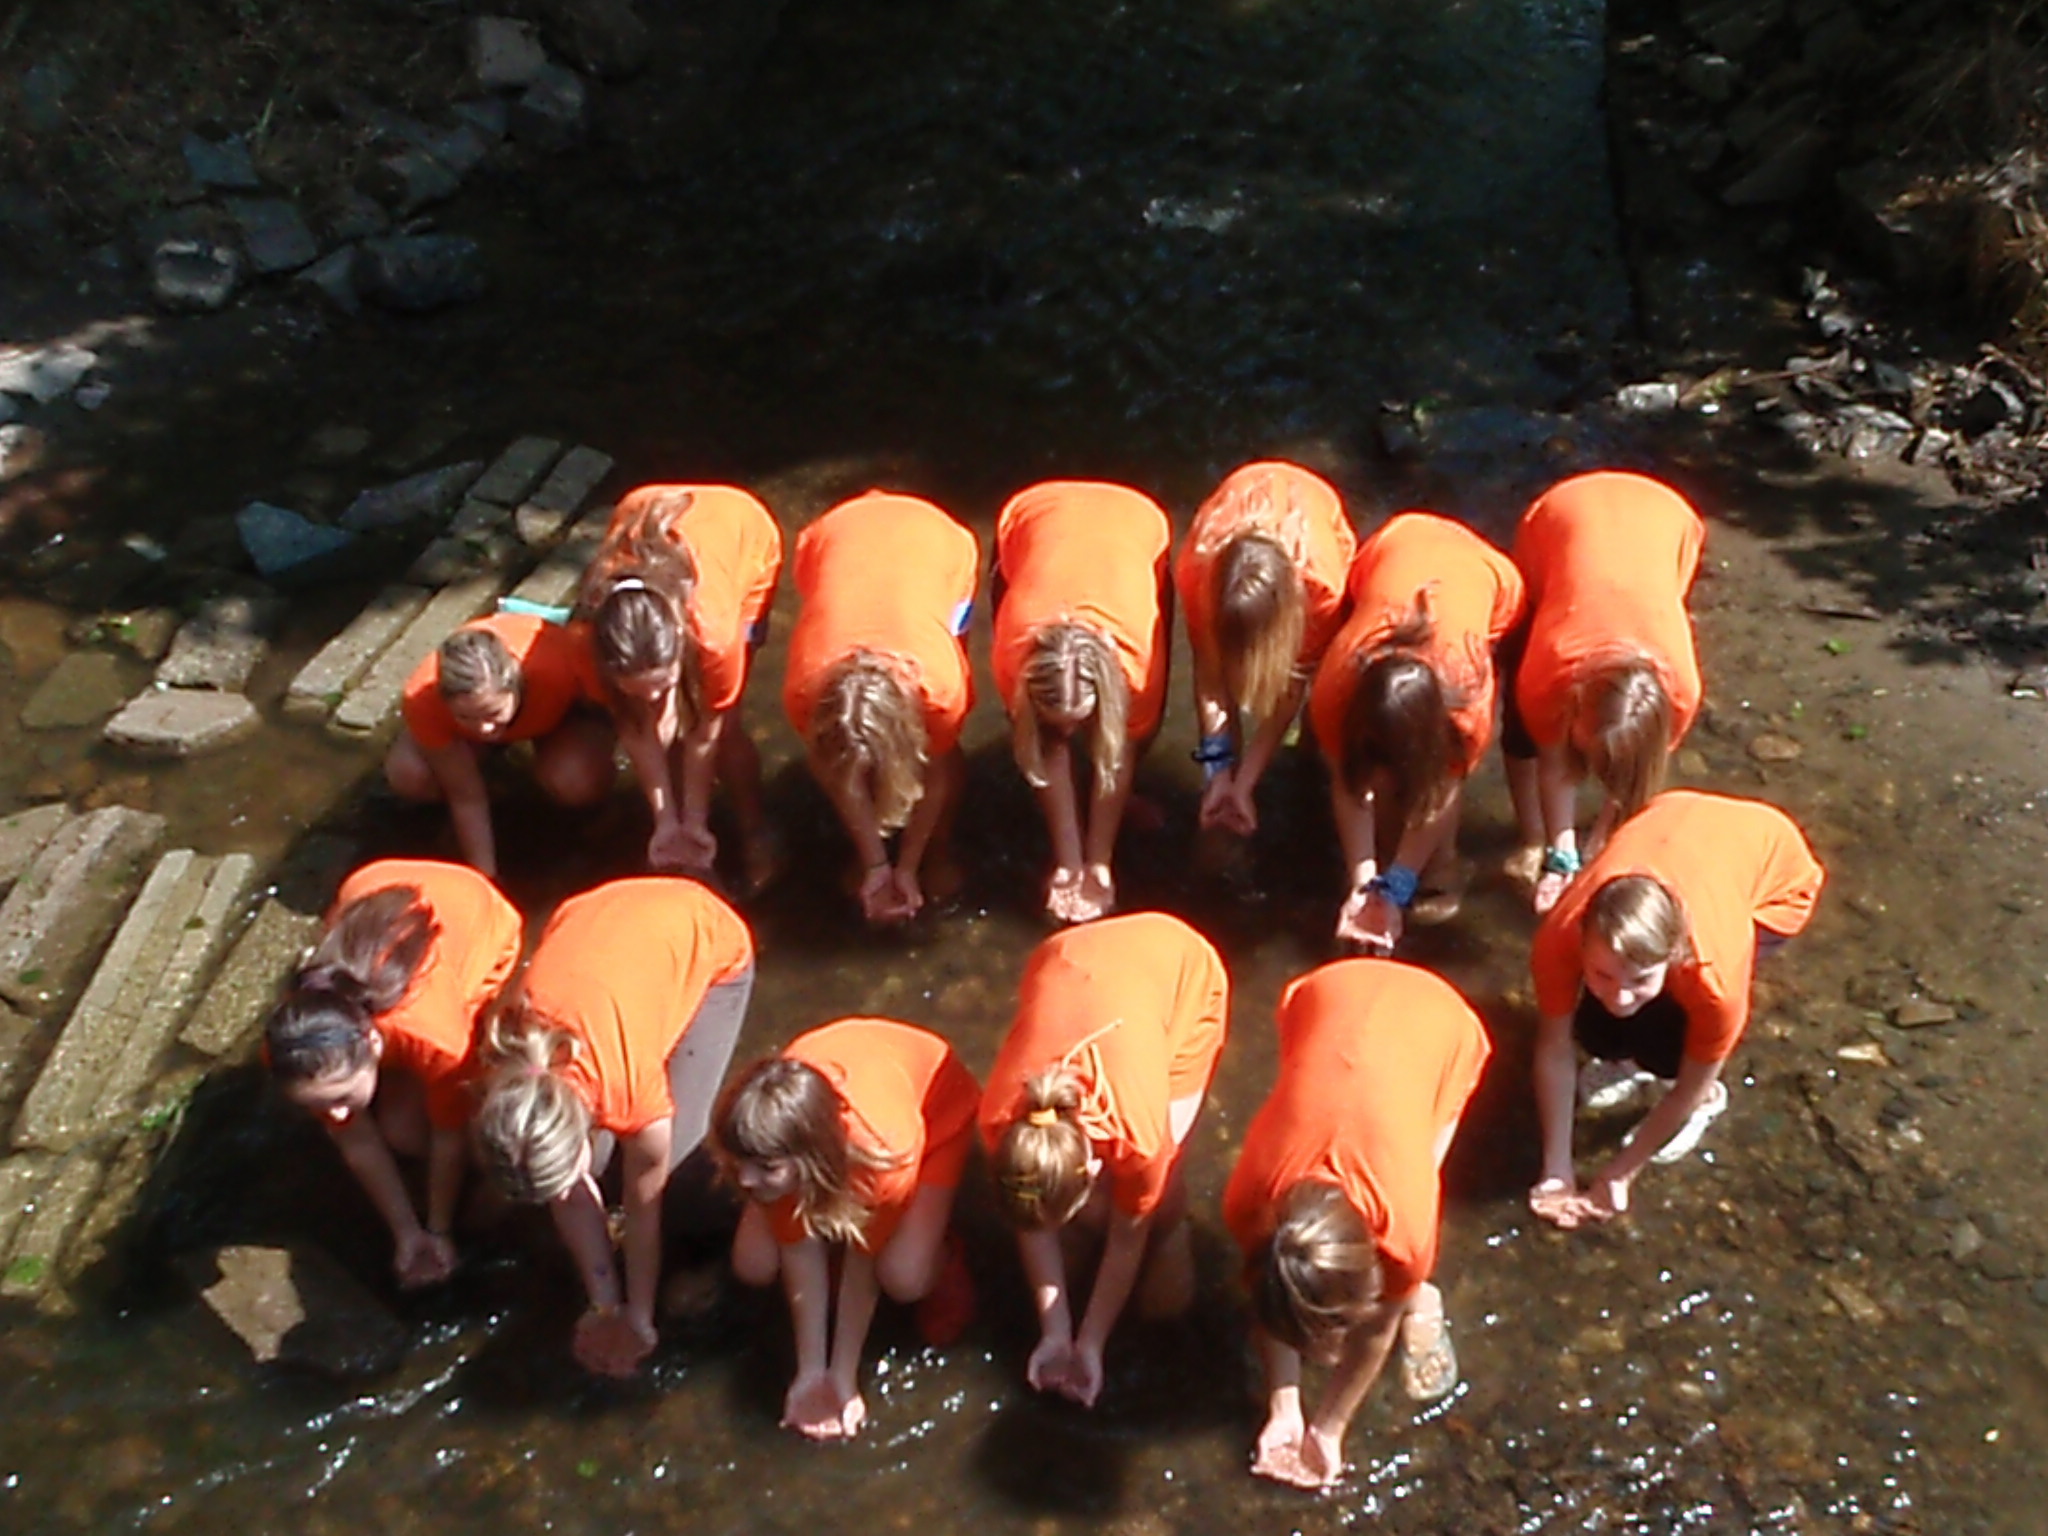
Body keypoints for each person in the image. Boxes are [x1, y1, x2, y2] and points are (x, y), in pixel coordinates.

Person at [1223, 958, 1491, 1489]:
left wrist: (1330, 1430)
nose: (1327, 1357)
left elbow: (1376, 1329)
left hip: (1438, 1025)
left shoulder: (1403, 1230)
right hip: (1326, 1000)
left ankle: (1422, 1292)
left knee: (1422, 1167)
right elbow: (1267, 1297)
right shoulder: (1249, 1203)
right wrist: (1283, 1407)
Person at [473, 877, 755, 1376]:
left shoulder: (632, 1095)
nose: (561, 1193)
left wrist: (640, 1317)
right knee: (598, 1170)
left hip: (701, 935)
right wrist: (604, 1304)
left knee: (676, 1178)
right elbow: (567, 1193)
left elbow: (645, 1211)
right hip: (593, 918)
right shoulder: (504, 1065)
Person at [1527, 790, 1824, 1228]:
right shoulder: (1559, 936)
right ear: (1581, 942)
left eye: (1640, 980)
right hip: (1673, 813)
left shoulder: (1713, 978)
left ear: (1675, 957)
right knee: (1597, 1030)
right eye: (1603, 974)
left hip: (1777, 880)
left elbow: (1690, 1082)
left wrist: (1621, 1173)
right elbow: (1553, 1046)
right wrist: (1556, 1169)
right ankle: (1625, 1058)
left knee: (1669, 1050)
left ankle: (1710, 1102)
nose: (1620, 997)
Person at [979, 912, 1229, 1405]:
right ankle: (1077, 1242)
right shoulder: (999, 1122)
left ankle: (1164, 1241)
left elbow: (1127, 1238)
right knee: (1074, 1231)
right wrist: (1056, 1331)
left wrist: (1091, 1343)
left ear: (1093, 1169)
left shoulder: (1138, 1136)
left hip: (1178, 970)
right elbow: (1030, 1221)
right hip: (1065, 958)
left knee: (1159, 1206)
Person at [714, 1017, 981, 1440]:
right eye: (741, 1164)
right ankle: (817, 1212)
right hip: (848, 1083)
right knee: (753, 1263)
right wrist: (810, 1372)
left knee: (903, 1275)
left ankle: (945, 1254)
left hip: (938, 1113)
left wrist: (842, 1376)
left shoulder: (883, 1156)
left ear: (810, 1158)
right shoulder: (771, 1137)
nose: (744, 1180)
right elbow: (796, 1248)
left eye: (763, 1168)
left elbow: (863, 1266)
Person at [264, 858, 522, 1289]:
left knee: (415, 1134)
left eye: (342, 1096)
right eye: (320, 1104)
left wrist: (438, 1228)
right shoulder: (292, 1043)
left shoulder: (435, 1039)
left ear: (372, 1042)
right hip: (374, 879)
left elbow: (448, 1137)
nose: (336, 1115)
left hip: (477, 912)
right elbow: (355, 1138)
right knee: (399, 1131)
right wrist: (406, 1232)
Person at [1307, 512, 1525, 952]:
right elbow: (1349, 784)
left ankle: (1441, 866)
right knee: (1362, 777)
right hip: (1393, 544)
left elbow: (1442, 791)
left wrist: (1400, 881)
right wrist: (1363, 879)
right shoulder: (1336, 692)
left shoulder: (1466, 712)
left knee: (1425, 791)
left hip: (1488, 575)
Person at [1501, 471, 1705, 912]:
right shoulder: (1547, 673)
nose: (1588, 764)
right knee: (1520, 727)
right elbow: (1553, 762)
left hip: (1668, 522)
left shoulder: (1681, 694)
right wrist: (1561, 856)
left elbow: (1639, 771)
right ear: (1574, 708)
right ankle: (1530, 837)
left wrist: (1600, 845)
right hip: (1562, 515)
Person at [782, 491, 978, 926]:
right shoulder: (803, 694)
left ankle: (939, 846)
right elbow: (832, 769)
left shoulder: (940, 691)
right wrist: (875, 862)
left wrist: (909, 864)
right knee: (850, 761)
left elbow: (938, 771)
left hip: (934, 542)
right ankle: (871, 848)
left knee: (943, 749)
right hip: (834, 537)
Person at [581, 484, 786, 891]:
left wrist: (694, 820)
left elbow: (706, 732)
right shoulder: (588, 639)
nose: (654, 699)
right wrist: (665, 821)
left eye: (663, 684)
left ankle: (753, 826)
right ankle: (676, 827)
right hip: (644, 504)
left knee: (726, 730)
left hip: (739, 527)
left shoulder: (713, 636)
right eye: (636, 688)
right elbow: (634, 727)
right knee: (654, 722)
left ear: (680, 642)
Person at [991, 480, 1172, 924]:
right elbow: (1043, 746)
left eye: (1078, 718)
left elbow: (1119, 751)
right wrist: (1068, 862)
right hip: (1033, 516)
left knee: (1139, 730)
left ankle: (1119, 803)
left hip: (1134, 519)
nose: (1071, 731)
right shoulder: (1012, 655)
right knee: (1040, 737)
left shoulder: (1138, 666)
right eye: (1060, 721)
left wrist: (1100, 863)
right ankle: (1080, 825)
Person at [1175, 461, 1356, 838]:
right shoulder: (1197, 574)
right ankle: (1224, 773)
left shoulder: (1322, 593)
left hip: (1319, 510)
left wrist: (1246, 783)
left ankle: (1307, 749)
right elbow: (1209, 677)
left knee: (1322, 691)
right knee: (1224, 668)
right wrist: (1219, 773)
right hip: (1239, 490)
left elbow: (1291, 688)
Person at [387, 613, 616, 877]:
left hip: (558, 713)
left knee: (575, 780)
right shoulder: (423, 701)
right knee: (409, 774)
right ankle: (495, 789)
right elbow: (466, 797)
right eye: (465, 716)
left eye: (492, 712)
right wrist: (485, 877)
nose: (484, 728)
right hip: (475, 736)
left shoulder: (562, 662)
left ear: (514, 685)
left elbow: (623, 716)